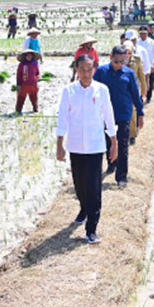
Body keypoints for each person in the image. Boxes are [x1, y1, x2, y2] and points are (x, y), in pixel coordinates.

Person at [57, 55, 118, 244]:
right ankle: (84, 207)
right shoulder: (69, 91)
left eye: (89, 69)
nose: (85, 73)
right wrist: (60, 144)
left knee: (93, 186)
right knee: (79, 184)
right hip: (75, 145)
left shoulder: (102, 90)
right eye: (82, 69)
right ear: (76, 69)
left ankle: (91, 228)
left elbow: (108, 116)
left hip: (95, 145)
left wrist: (114, 142)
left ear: (94, 69)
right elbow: (62, 118)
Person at [94, 46, 145, 187]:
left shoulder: (129, 74)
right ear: (111, 58)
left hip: (123, 114)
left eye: (123, 62)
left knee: (123, 145)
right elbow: (93, 90)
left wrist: (141, 113)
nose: (119, 65)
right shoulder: (101, 72)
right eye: (116, 62)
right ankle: (111, 164)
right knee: (108, 143)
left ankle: (121, 176)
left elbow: (135, 94)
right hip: (105, 115)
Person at [137, 26, 154, 103]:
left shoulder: (152, 43)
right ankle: (141, 97)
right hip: (140, 67)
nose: (143, 35)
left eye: (144, 33)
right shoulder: (137, 43)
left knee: (150, 83)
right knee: (141, 83)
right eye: (141, 34)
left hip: (150, 66)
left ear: (147, 33)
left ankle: (148, 97)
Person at [15, 49, 41, 113]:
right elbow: (18, 75)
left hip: (33, 85)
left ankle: (35, 109)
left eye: (30, 56)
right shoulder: (21, 65)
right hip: (24, 85)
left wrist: (37, 78)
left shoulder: (35, 64)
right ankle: (18, 111)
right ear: (25, 57)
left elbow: (38, 73)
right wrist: (18, 85)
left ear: (32, 56)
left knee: (34, 98)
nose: (29, 57)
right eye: (28, 56)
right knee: (21, 98)